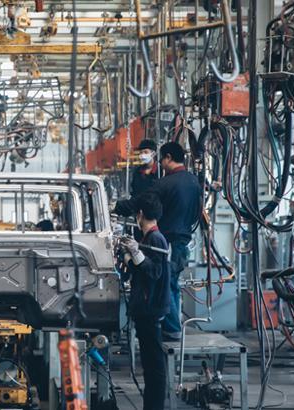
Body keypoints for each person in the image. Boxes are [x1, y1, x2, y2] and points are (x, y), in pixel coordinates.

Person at [114, 142, 201, 340]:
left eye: (162, 159)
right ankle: (173, 326)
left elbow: (141, 202)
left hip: (167, 240)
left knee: (165, 283)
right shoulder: (194, 182)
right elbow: (197, 213)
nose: (161, 163)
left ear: (168, 157)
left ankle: (171, 329)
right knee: (173, 283)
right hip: (183, 240)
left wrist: (117, 207)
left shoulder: (165, 183)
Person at [121, 193, 170, 410]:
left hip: (151, 310)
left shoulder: (156, 239)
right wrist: (128, 255)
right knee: (149, 366)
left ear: (140, 214)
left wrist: (136, 253)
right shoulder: (147, 238)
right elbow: (139, 269)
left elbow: (154, 272)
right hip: (145, 309)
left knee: (155, 366)